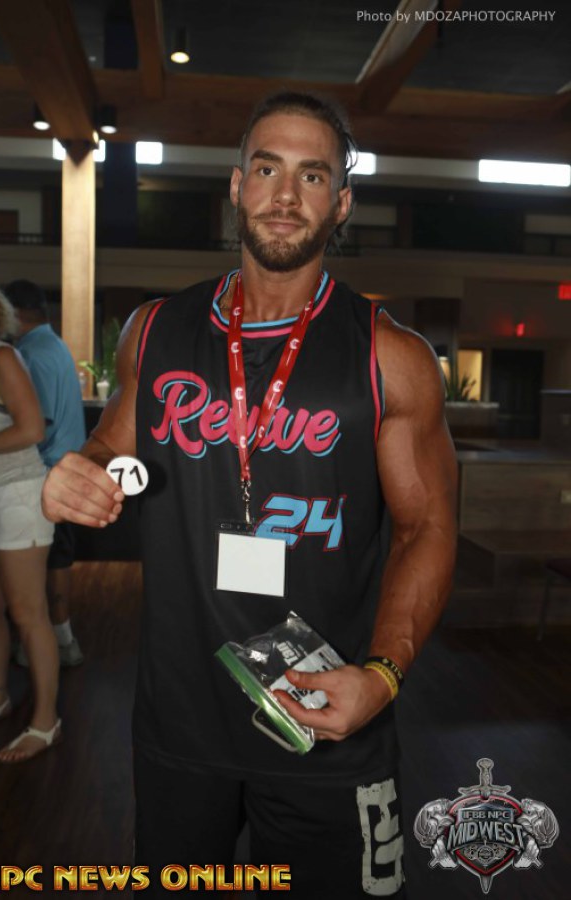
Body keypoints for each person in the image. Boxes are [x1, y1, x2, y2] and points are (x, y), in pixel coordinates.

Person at [42, 92, 457, 897]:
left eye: (313, 175)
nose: (285, 194)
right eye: (267, 169)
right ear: (236, 186)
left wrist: (382, 676)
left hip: (327, 716)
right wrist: (78, 472)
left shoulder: (389, 357)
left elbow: (427, 528)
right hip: (180, 723)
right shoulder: (156, 331)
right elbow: (110, 449)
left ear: (342, 203)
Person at [0, 279, 60, 762]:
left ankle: (46, 723)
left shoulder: (1, 359)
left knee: (28, 612)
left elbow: (31, 429)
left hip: (16, 493)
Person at [6, 279, 86, 667]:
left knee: (40, 565)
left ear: (13, 313)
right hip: (65, 468)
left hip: (45, 474)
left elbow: (35, 423)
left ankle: (50, 643)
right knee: (57, 559)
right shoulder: (53, 345)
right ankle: (62, 638)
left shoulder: (31, 354)